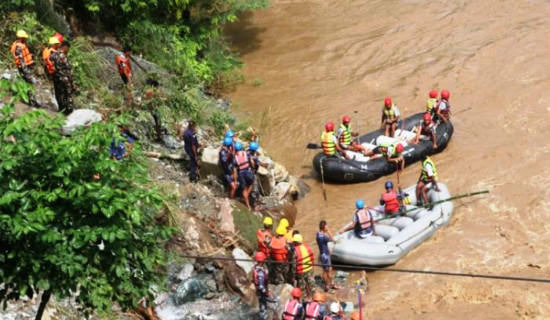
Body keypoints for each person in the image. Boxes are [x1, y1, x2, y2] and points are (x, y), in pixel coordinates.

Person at [10, 30, 40, 108]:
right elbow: (22, 61)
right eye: (24, 37)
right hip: (23, 68)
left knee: (28, 84)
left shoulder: (20, 44)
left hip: (24, 68)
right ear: (21, 37)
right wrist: (27, 72)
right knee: (29, 83)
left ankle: (32, 101)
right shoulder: (19, 47)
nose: (25, 39)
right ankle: (32, 102)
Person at [50, 41, 77, 114]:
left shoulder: (53, 55)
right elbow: (69, 71)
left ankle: (61, 109)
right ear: (65, 47)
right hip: (65, 79)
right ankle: (69, 111)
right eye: (68, 48)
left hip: (56, 78)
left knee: (59, 94)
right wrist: (73, 83)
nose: (68, 50)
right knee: (68, 94)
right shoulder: (63, 57)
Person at [291, 234, 315, 301]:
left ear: (296, 242)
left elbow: (293, 264)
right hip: (310, 269)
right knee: (310, 284)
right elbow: (312, 257)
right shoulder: (307, 246)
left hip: (301, 272)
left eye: (294, 242)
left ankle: (304, 300)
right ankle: (312, 298)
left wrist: (293, 276)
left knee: (302, 288)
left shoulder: (295, 251)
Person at [232, 141, 255, 210]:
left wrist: (235, 181)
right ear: (241, 148)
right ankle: (246, 195)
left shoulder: (234, 158)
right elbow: (252, 162)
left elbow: (235, 171)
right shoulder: (246, 153)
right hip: (248, 171)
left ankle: (248, 206)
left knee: (244, 189)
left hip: (241, 174)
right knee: (251, 184)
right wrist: (253, 169)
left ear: (235, 149)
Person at [316, 220, 337, 293]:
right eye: (326, 226)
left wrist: (328, 249)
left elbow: (324, 245)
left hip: (324, 253)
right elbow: (332, 240)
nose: (327, 227)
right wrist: (328, 231)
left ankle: (332, 283)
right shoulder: (324, 237)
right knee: (325, 271)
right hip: (325, 255)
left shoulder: (318, 234)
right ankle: (327, 286)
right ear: (324, 227)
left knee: (330, 268)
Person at [253, 251, 270, 320]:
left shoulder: (256, 267)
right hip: (262, 292)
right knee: (264, 308)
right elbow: (261, 286)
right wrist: (266, 292)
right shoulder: (260, 273)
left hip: (259, 291)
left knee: (262, 307)